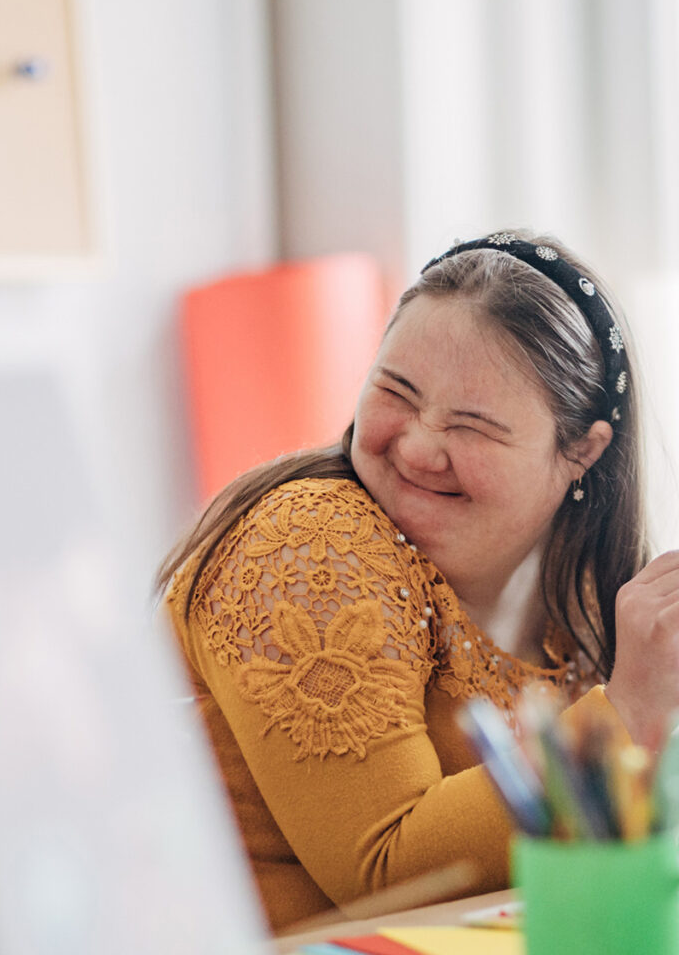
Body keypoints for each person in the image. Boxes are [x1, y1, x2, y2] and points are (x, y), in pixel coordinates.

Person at [159, 231, 679, 933]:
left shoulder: (583, 609)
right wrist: (629, 709)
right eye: (395, 392)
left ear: (580, 452)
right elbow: (386, 866)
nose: (417, 446)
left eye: (473, 426)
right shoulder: (314, 539)